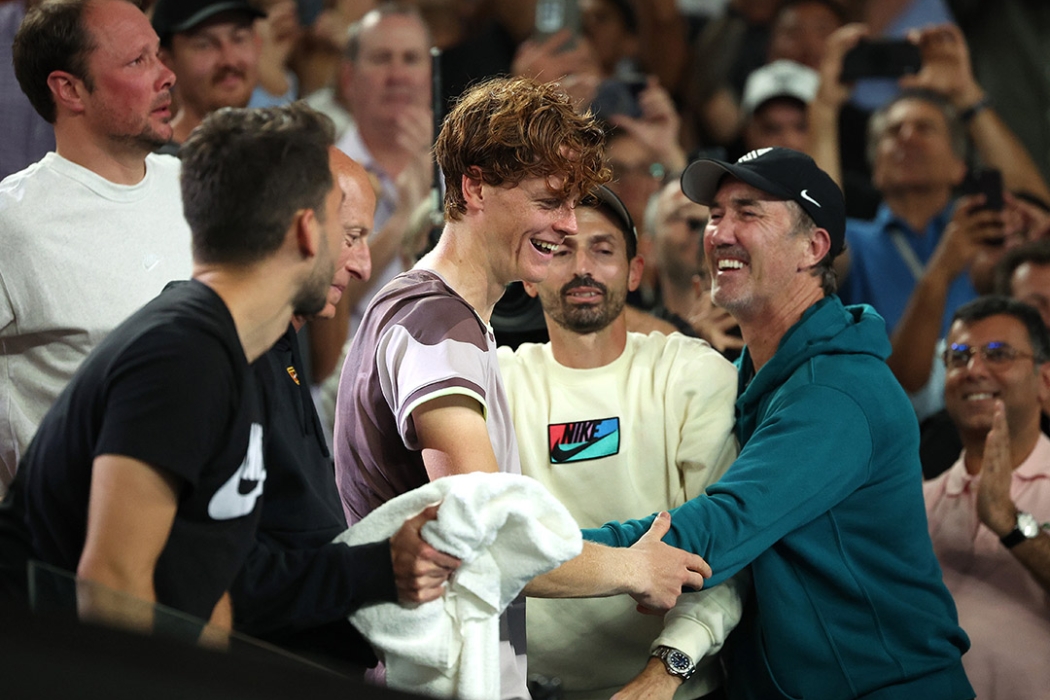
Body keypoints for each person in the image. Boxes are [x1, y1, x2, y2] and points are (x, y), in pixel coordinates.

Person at [333, 75, 711, 700]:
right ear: (474, 187)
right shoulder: (437, 325)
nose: (567, 225)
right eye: (549, 201)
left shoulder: (446, 319)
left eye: (573, 203)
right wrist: (634, 567)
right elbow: (487, 537)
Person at [584, 147, 974, 699]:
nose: (719, 233)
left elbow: (718, 530)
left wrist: (546, 553)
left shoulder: (838, 392)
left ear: (814, 248)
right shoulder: (749, 378)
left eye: (748, 213)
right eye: (716, 215)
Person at [0, 103, 343, 633]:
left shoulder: (235, 349)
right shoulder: (183, 358)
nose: (356, 255)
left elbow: (203, 579)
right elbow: (112, 587)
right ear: (307, 231)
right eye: (342, 222)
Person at [498, 185, 743, 700]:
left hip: (673, 688)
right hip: (528, 689)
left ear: (634, 272)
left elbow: (728, 548)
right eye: (560, 250)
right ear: (529, 277)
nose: (582, 268)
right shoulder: (497, 382)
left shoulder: (692, 373)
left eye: (603, 250)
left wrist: (665, 670)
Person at [231, 146, 459, 673]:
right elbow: (210, 581)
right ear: (299, 227)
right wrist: (375, 568)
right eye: (352, 237)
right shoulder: (211, 355)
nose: (363, 266)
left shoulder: (281, 340)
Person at [0, 0, 192, 498]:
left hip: (208, 527)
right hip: (68, 535)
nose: (167, 75)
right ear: (69, 89)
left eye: (158, 54)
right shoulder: (13, 222)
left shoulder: (197, 188)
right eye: (137, 61)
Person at [924, 295, 1050, 700]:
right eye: (958, 357)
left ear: (1045, 381)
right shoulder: (919, 503)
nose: (973, 370)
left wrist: (1010, 523)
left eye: (998, 354)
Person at [151, 0, 265, 149]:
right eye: (204, 45)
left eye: (239, 39)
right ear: (165, 62)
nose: (229, 60)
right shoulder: (152, 161)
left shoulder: (282, 152)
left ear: (258, 44)